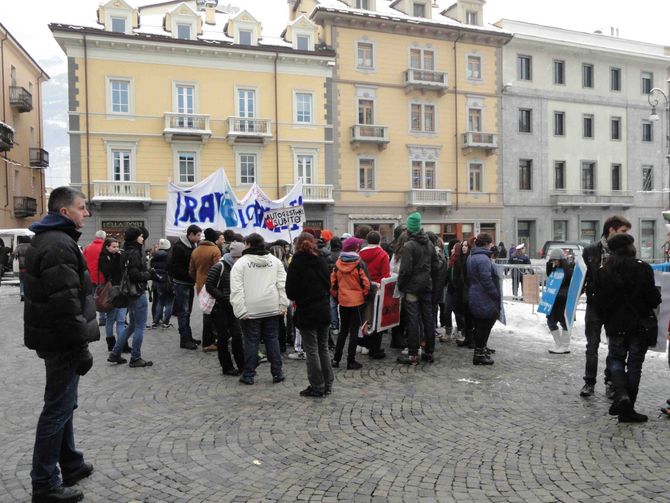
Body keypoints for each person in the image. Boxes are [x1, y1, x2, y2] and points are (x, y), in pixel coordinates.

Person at [24, 186, 98, 503]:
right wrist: (80, 347)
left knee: (65, 404)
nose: (87, 213)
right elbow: (65, 304)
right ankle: (44, 483)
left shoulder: (56, 240)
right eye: (82, 208)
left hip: (55, 338)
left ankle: (70, 462)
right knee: (57, 409)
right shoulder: (57, 245)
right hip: (62, 342)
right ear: (65, 212)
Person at [595, 234, 661, 422]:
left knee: (616, 359)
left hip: (615, 325)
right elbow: (654, 299)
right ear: (630, 248)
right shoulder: (642, 268)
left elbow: (598, 303)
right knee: (634, 365)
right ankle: (627, 408)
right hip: (639, 325)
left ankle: (621, 394)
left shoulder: (603, 271)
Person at [580, 215, 631, 398]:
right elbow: (583, 277)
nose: (626, 235)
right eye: (623, 231)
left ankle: (610, 382)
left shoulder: (624, 251)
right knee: (592, 345)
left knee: (614, 346)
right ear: (612, 230)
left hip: (615, 306)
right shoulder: (590, 250)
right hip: (595, 304)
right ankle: (589, 382)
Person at [230, 233, 288, 385]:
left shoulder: (241, 263)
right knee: (272, 339)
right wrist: (283, 304)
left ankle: (248, 374)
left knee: (251, 341)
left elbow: (236, 289)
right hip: (271, 306)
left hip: (251, 308)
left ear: (248, 244)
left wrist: (240, 310)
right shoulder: (275, 261)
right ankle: (277, 373)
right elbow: (282, 284)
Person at [286, 232, 334, 397]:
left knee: (312, 350)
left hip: (307, 311)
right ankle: (327, 384)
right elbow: (329, 284)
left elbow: (291, 292)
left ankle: (317, 385)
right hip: (323, 309)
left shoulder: (296, 263)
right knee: (323, 348)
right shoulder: (321, 260)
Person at [107, 227, 156, 367]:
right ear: (136, 238)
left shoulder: (125, 250)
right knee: (140, 326)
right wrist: (149, 275)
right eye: (141, 236)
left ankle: (115, 353)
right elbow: (135, 275)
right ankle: (135, 357)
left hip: (128, 292)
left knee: (132, 325)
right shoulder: (135, 252)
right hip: (136, 292)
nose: (142, 238)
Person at [397, 212, 438, 364]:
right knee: (428, 318)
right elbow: (436, 265)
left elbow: (405, 270)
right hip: (426, 286)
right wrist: (428, 277)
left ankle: (413, 353)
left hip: (412, 288)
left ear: (409, 229)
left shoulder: (409, 246)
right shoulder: (429, 244)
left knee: (413, 319)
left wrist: (401, 285)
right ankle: (429, 352)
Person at [206, 241, 245, 376]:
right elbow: (209, 285)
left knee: (237, 336)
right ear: (233, 256)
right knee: (223, 338)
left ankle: (242, 365)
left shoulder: (240, 267)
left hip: (234, 307)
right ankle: (227, 367)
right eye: (239, 257)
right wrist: (223, 298)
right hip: (220, 308)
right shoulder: (220, 266)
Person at [330, 237, 370, 370]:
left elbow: (333, 284)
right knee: (354, 332)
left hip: (344, 301)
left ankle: (336, 359)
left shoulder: (338, 264)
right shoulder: (359, 263)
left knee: (343, 331)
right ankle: (350, 361)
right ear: (355, 248)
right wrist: (364, 296)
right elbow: (366, 284)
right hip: (357, 302)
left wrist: (338, 297)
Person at [466, 233, 501, 365]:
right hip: (483, 296)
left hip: (475, 294)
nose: (492, 245)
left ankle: (480, 350)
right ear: (487, 243)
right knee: (484, 325)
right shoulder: (483, 259)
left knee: (480, 324)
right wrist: (494, 293)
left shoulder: (472, 256)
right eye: (491, 243)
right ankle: (479, 353)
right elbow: (486, 279)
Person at [168, 224, 202, 350]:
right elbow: (174, 267)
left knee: (188, 312)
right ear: (191, 234)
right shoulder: (179, 247)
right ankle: (185, 339)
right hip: (182, 283)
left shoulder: (192, 245)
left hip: (188, 282)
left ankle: (189, 336)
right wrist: (190, 275)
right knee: (183, 312)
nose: (199, 238)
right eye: (198, 235)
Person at [189, 228, 223, 352]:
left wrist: (198, 279)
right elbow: (218, 269)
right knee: (213, 313)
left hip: (200, 285)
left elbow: (191, 271)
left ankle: (209, 341)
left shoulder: (196, 250)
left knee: (207, 312)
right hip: (212, 285)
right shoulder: (215, 250)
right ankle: (209, 342)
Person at [98, 237, 127, 352]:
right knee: (110, 319)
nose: (116, 249)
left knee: (121, 319)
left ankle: (122, 343)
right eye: (113, 247)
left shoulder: (119, 256)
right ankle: (111, 343)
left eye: (117, 246)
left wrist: (121, 258)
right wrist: (115, 260)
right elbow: (108, 271)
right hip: (111, 290)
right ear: (107, 247)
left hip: (121, 289)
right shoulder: (104, 257)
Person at [545, 248, 574, 354]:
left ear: (561, 259)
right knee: (551, 321)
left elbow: (568, 283)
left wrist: (561, 293)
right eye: (552, 260)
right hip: (554, 299)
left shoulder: (567, 269)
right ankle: (558, 344)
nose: (554, 262)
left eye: (555, 260)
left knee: (564, 321)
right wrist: (549, 264)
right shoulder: (555, 268)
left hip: (563, 300)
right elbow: (550, 276)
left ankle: (565, 346)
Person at [82, 230, 107, 326]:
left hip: (89, 276)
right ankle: (102, 318)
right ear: (104, 238)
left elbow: (83, 262)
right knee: (102, 297)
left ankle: (90, 317)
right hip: (102, 277)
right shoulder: (105, 248)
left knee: (90, 298)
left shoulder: (87, 247)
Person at [150, 239, 174, 329]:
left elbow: (151, 267)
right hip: (169, 281)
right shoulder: (170, 256)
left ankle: (155, 321)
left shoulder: (155, 256)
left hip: (159, 281)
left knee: (160, 302)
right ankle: (166, 322)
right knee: (169, 302)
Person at [14, 234, 31, 300]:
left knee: (22, 281)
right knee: (30, 281)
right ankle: (29, 294)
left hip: (22, 268)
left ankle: (22, 294)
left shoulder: (19, 246)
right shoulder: (31, 246)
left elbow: (14, 254)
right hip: (30, 268)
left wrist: (17, 256)